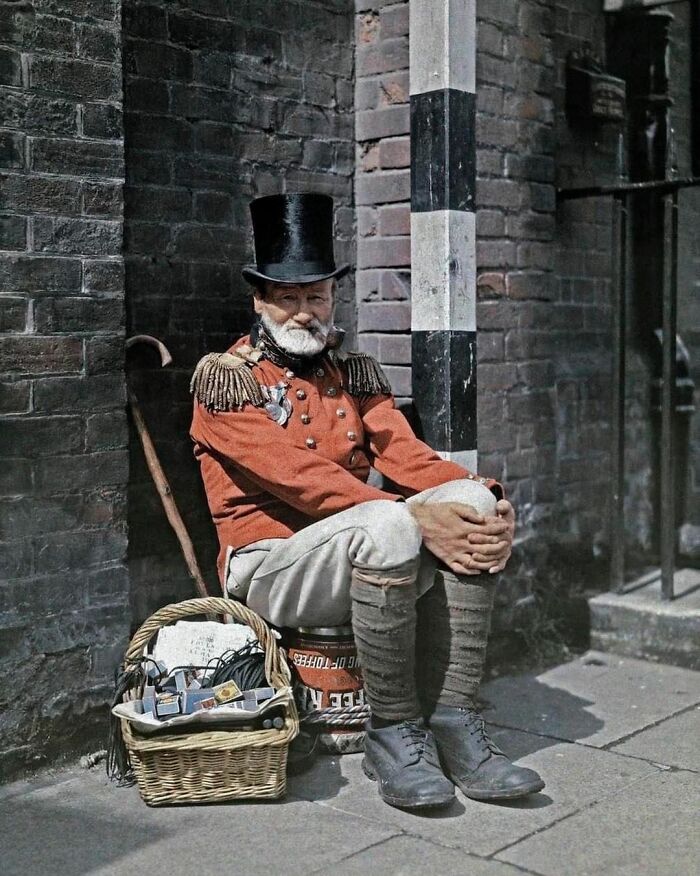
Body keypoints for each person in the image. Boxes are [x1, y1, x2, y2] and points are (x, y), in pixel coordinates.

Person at [190, 192, 544, 810]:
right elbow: (300, 478)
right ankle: (393, 731)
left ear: (334, 298)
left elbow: (406, 455)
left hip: (355, 549)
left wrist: (487, 497)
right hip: (270, 567)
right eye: (289, 298)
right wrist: (416, 517)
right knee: (387, 520)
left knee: (467, 503)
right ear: (260, 302)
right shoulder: (227, 379)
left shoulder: (351, 373)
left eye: (317, 296)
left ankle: (455, 719)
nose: (305, 312)